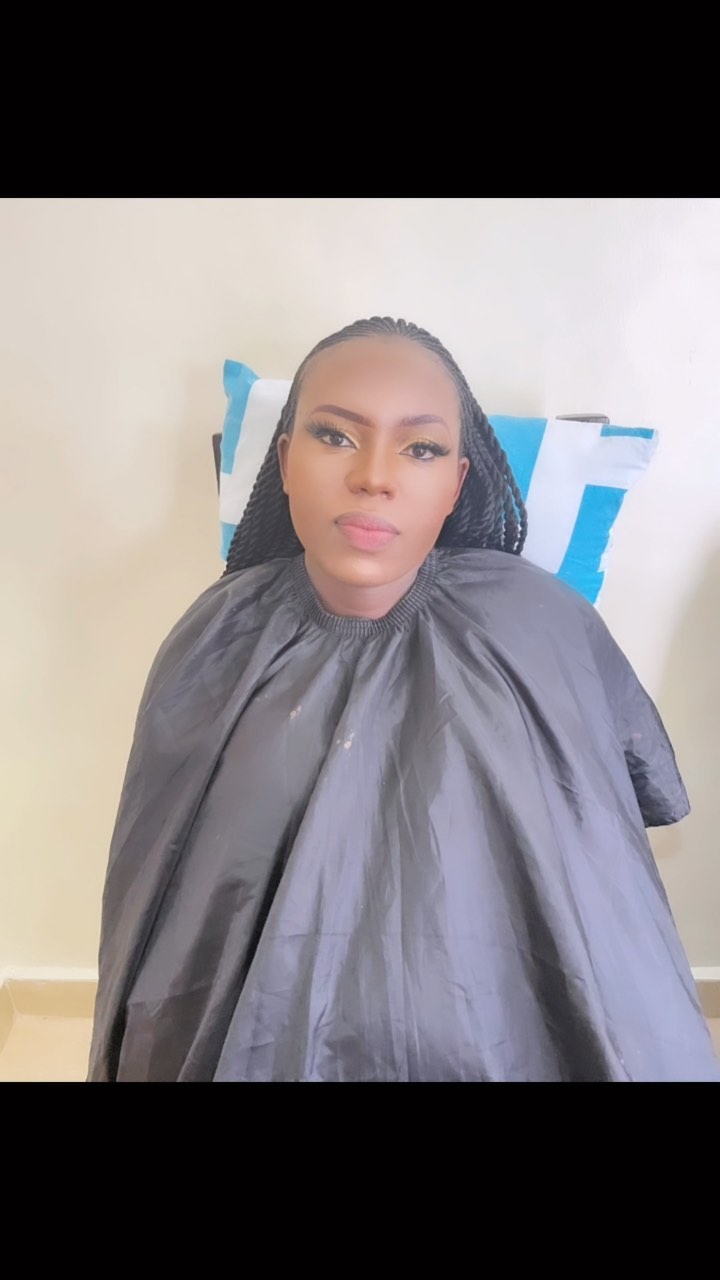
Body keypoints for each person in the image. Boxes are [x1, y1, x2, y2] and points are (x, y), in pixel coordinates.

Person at [87, 316, 720, 1082]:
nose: (374, 476)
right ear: (284, 461)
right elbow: (161, 905)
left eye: (420, 448)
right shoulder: (215, 641)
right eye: (335, 436)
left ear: (457, 482)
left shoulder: (541, 622)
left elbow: (605, 837)